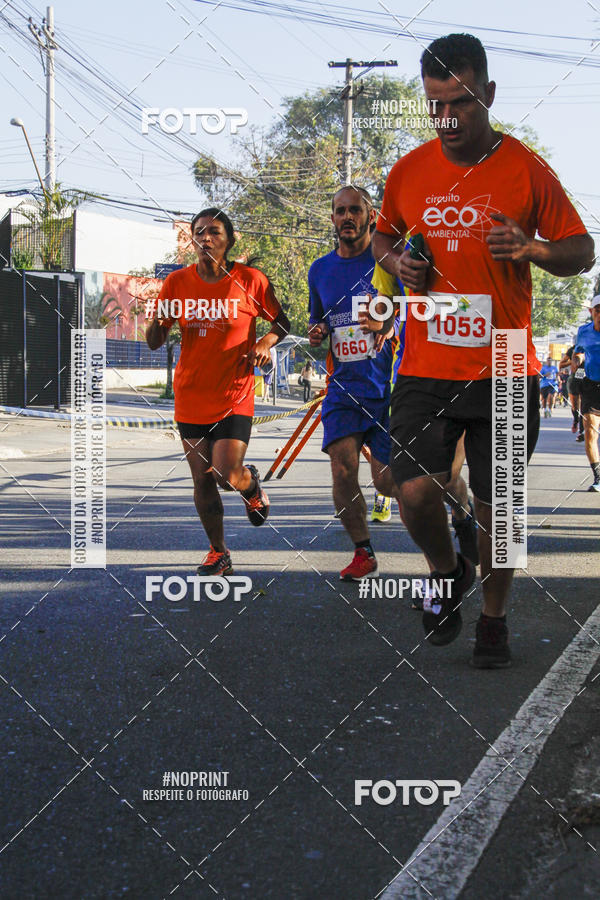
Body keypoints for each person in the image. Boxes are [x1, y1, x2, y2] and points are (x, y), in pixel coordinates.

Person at [372, 33, 595, 667]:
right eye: (436, 104)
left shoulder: (525, 168)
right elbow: (386, 233)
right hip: (425, 360)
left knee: (501, 504)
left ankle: (493, 619)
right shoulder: (410, 170)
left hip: (502, 362)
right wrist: (398, 261)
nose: (447, 118)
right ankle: (447, 570)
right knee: (410, 490)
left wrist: (534, 249)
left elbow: (582, 250)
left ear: (488, 95)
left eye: (461, 104)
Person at [146, 208, 290, 574]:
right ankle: (218, 551)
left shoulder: (250, 280)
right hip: (191, 395)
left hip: (234, 393)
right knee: (201, 478)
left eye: (214, 231)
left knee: (226, 474)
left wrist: (266, 343)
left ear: (229, 239)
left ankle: (251, 486)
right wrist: (156, 317)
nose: (205, 238)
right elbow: (154, 341)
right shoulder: (177, 282)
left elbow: (281, 322)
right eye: (199, 232)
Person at [308, 185, 401, 581]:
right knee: (343, 469)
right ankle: (364, 552)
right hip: (343, 389)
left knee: (388, 481)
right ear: (332, 218)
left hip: (388, 388)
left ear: (370, 215)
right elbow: (321, 320)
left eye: (355, 210)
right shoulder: (319, 270)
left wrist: (389, 323)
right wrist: (317, 332)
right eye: (340, 211)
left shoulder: (387, 262)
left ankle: (455, 498)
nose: (347, 217)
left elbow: (410, 307)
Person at [573, 295, 600, 491]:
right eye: (598, 310)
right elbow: (578, 352)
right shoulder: (584, 331)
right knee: (590, 431)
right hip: (591, 385)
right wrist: (577, 361)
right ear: (591, 312)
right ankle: (598, 477)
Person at [561, 345, 586, 440]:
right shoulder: (573, 349)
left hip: (589, 380)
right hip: (575, 379)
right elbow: (561, 364)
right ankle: (576, 420)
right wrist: (574, 361)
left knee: (585, 406)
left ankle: (582, 432)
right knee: (576, 407)